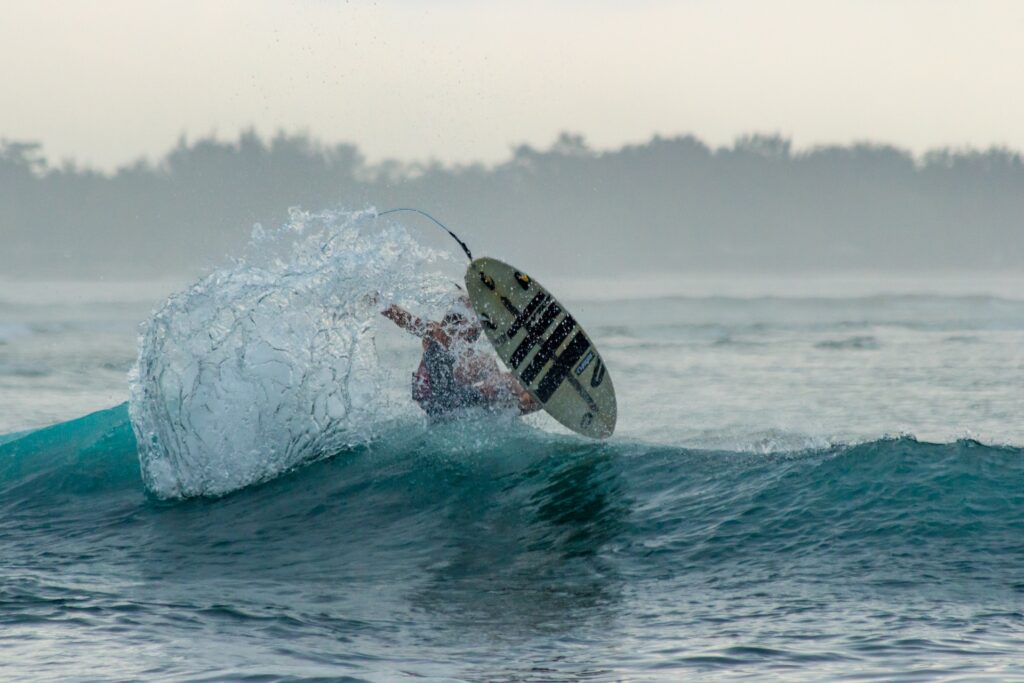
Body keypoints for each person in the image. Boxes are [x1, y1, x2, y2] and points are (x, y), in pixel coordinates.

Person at [381, 296, 541, 419]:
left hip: (437, 402)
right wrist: (381, 304)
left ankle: (517, 404)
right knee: (505, 380)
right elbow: (405, 320)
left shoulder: (456, 345)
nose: (478, 327)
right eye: (474, 320)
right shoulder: (437, 332)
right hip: (442, 399)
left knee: (492, 370)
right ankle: (529, 399)